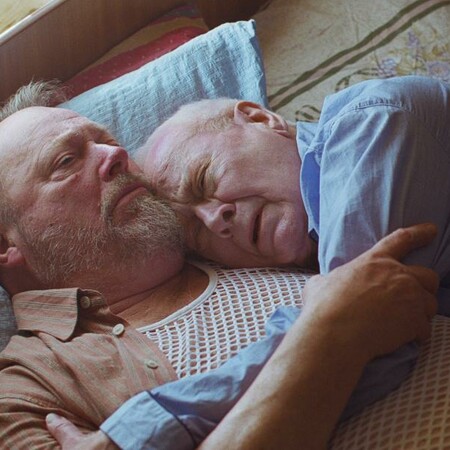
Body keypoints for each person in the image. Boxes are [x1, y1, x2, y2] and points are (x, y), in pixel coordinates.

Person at [0, 82, 438, 450]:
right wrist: (332, 331)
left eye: (109, 142)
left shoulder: (276, 221)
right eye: (66, 161)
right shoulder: (25, 392)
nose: (115, 155)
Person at [137, 76, 450, 306]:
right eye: (196, 232)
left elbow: (349, 329)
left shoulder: (372, 124)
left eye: (204, 179)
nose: (214, 220)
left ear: (260, 119)